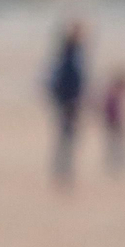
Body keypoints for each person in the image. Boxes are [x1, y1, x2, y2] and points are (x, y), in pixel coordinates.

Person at [45, 18, 86, 186]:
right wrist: (68, 102)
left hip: (69, 102)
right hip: (68, 102)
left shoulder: (72, 54)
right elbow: (67, 82)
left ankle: (64, 169)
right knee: (66, 136)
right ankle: (62, 170)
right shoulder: (68, 57)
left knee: (67, 136)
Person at [100, 68, 125, 175]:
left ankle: (116, 164)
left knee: (115, 144)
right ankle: (115, 165)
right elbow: (110, 111)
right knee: (115, 144)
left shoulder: (113, 94)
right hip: (113, 123)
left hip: (113, 122)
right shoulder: (113, 95)